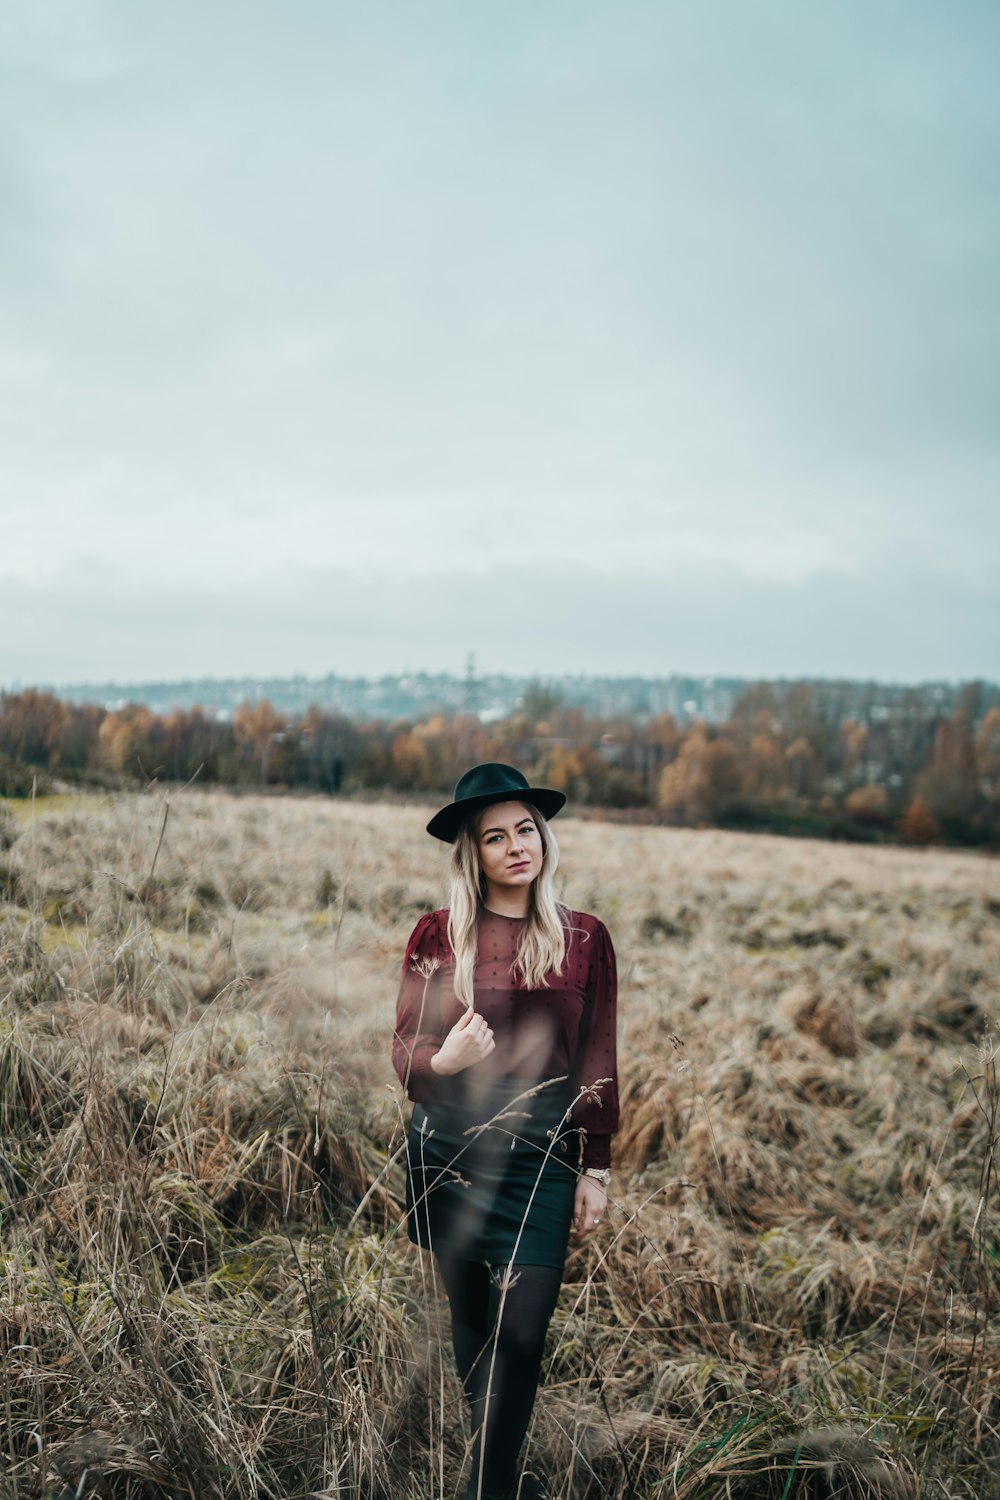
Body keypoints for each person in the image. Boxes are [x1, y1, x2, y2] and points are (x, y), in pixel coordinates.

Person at [392, 763, 619, 1500]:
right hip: (449, 1152)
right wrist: (444, 1059)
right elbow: (404, 1051)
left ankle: (485, 1488)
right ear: (473, 853)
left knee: (521, 1334)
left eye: (526, 829)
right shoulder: (436, 935)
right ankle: (494, 1472)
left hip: (542, 1156)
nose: (518, 845)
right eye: (497, 836)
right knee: (475, 1330)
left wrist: (598, 1165)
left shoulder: (584, 938)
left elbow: (597, 1057)